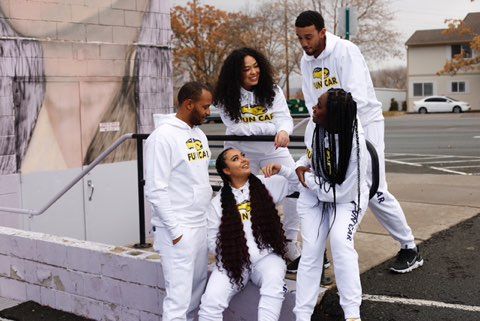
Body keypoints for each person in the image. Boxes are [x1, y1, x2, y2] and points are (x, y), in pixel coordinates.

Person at [295, 10, 423, 273]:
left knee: (372, 188)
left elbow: (357, 99)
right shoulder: (305, 61)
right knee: (325, 186)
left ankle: (409, 247)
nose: (305, 44)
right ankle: (323, 253)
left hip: (365, 124)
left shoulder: (345, 51)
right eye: (300, 39)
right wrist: (314, 143)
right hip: (329, 128)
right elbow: (311, 103)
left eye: (309, 37)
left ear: (323, 32)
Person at [214, 47, 301, 270]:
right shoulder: (226, 94)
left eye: (256, 66)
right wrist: (271, 127)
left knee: (296, 189)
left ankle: (290, 242)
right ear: (236, 73)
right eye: (246, 69)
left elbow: (284, 118)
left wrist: (282, 131)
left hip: (274, 148)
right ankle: (248, 244)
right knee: (241, 199)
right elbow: (236, 128)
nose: (254, 72)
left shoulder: (272, 90)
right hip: (242, 152)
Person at [198, 148, 298, 321]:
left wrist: (281, 169)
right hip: (234, 262)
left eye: (243, 156)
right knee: (209, 304)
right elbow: (212, 241)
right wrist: (236, 253)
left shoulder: (266, 184)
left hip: (266, 258)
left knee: (273, 284)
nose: (244, 160)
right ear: (226, 170)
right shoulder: (217, 203)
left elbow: (299, 183)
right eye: (236, 159)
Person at [294, 88, 368, 321]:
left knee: (340, 244)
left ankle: (352, 314)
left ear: (333, 116)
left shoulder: (357, 146)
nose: (313, 109)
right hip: (316, 192)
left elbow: (343, 193)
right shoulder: (314, 124)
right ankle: (302, 315)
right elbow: (309, 156)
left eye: (320, 106)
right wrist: (300, 166)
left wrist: (308, 179)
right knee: (311, 250)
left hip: (347, 199)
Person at [144, 81, 213, 321]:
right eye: (205, 107)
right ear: (188, 104)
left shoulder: (199, 134)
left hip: (199, 225)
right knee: (178, 300)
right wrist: (175, 231)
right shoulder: (161, 138)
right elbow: (155, 189)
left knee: (196, 291)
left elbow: (199, 179)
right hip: (177, 230)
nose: (208, 112)